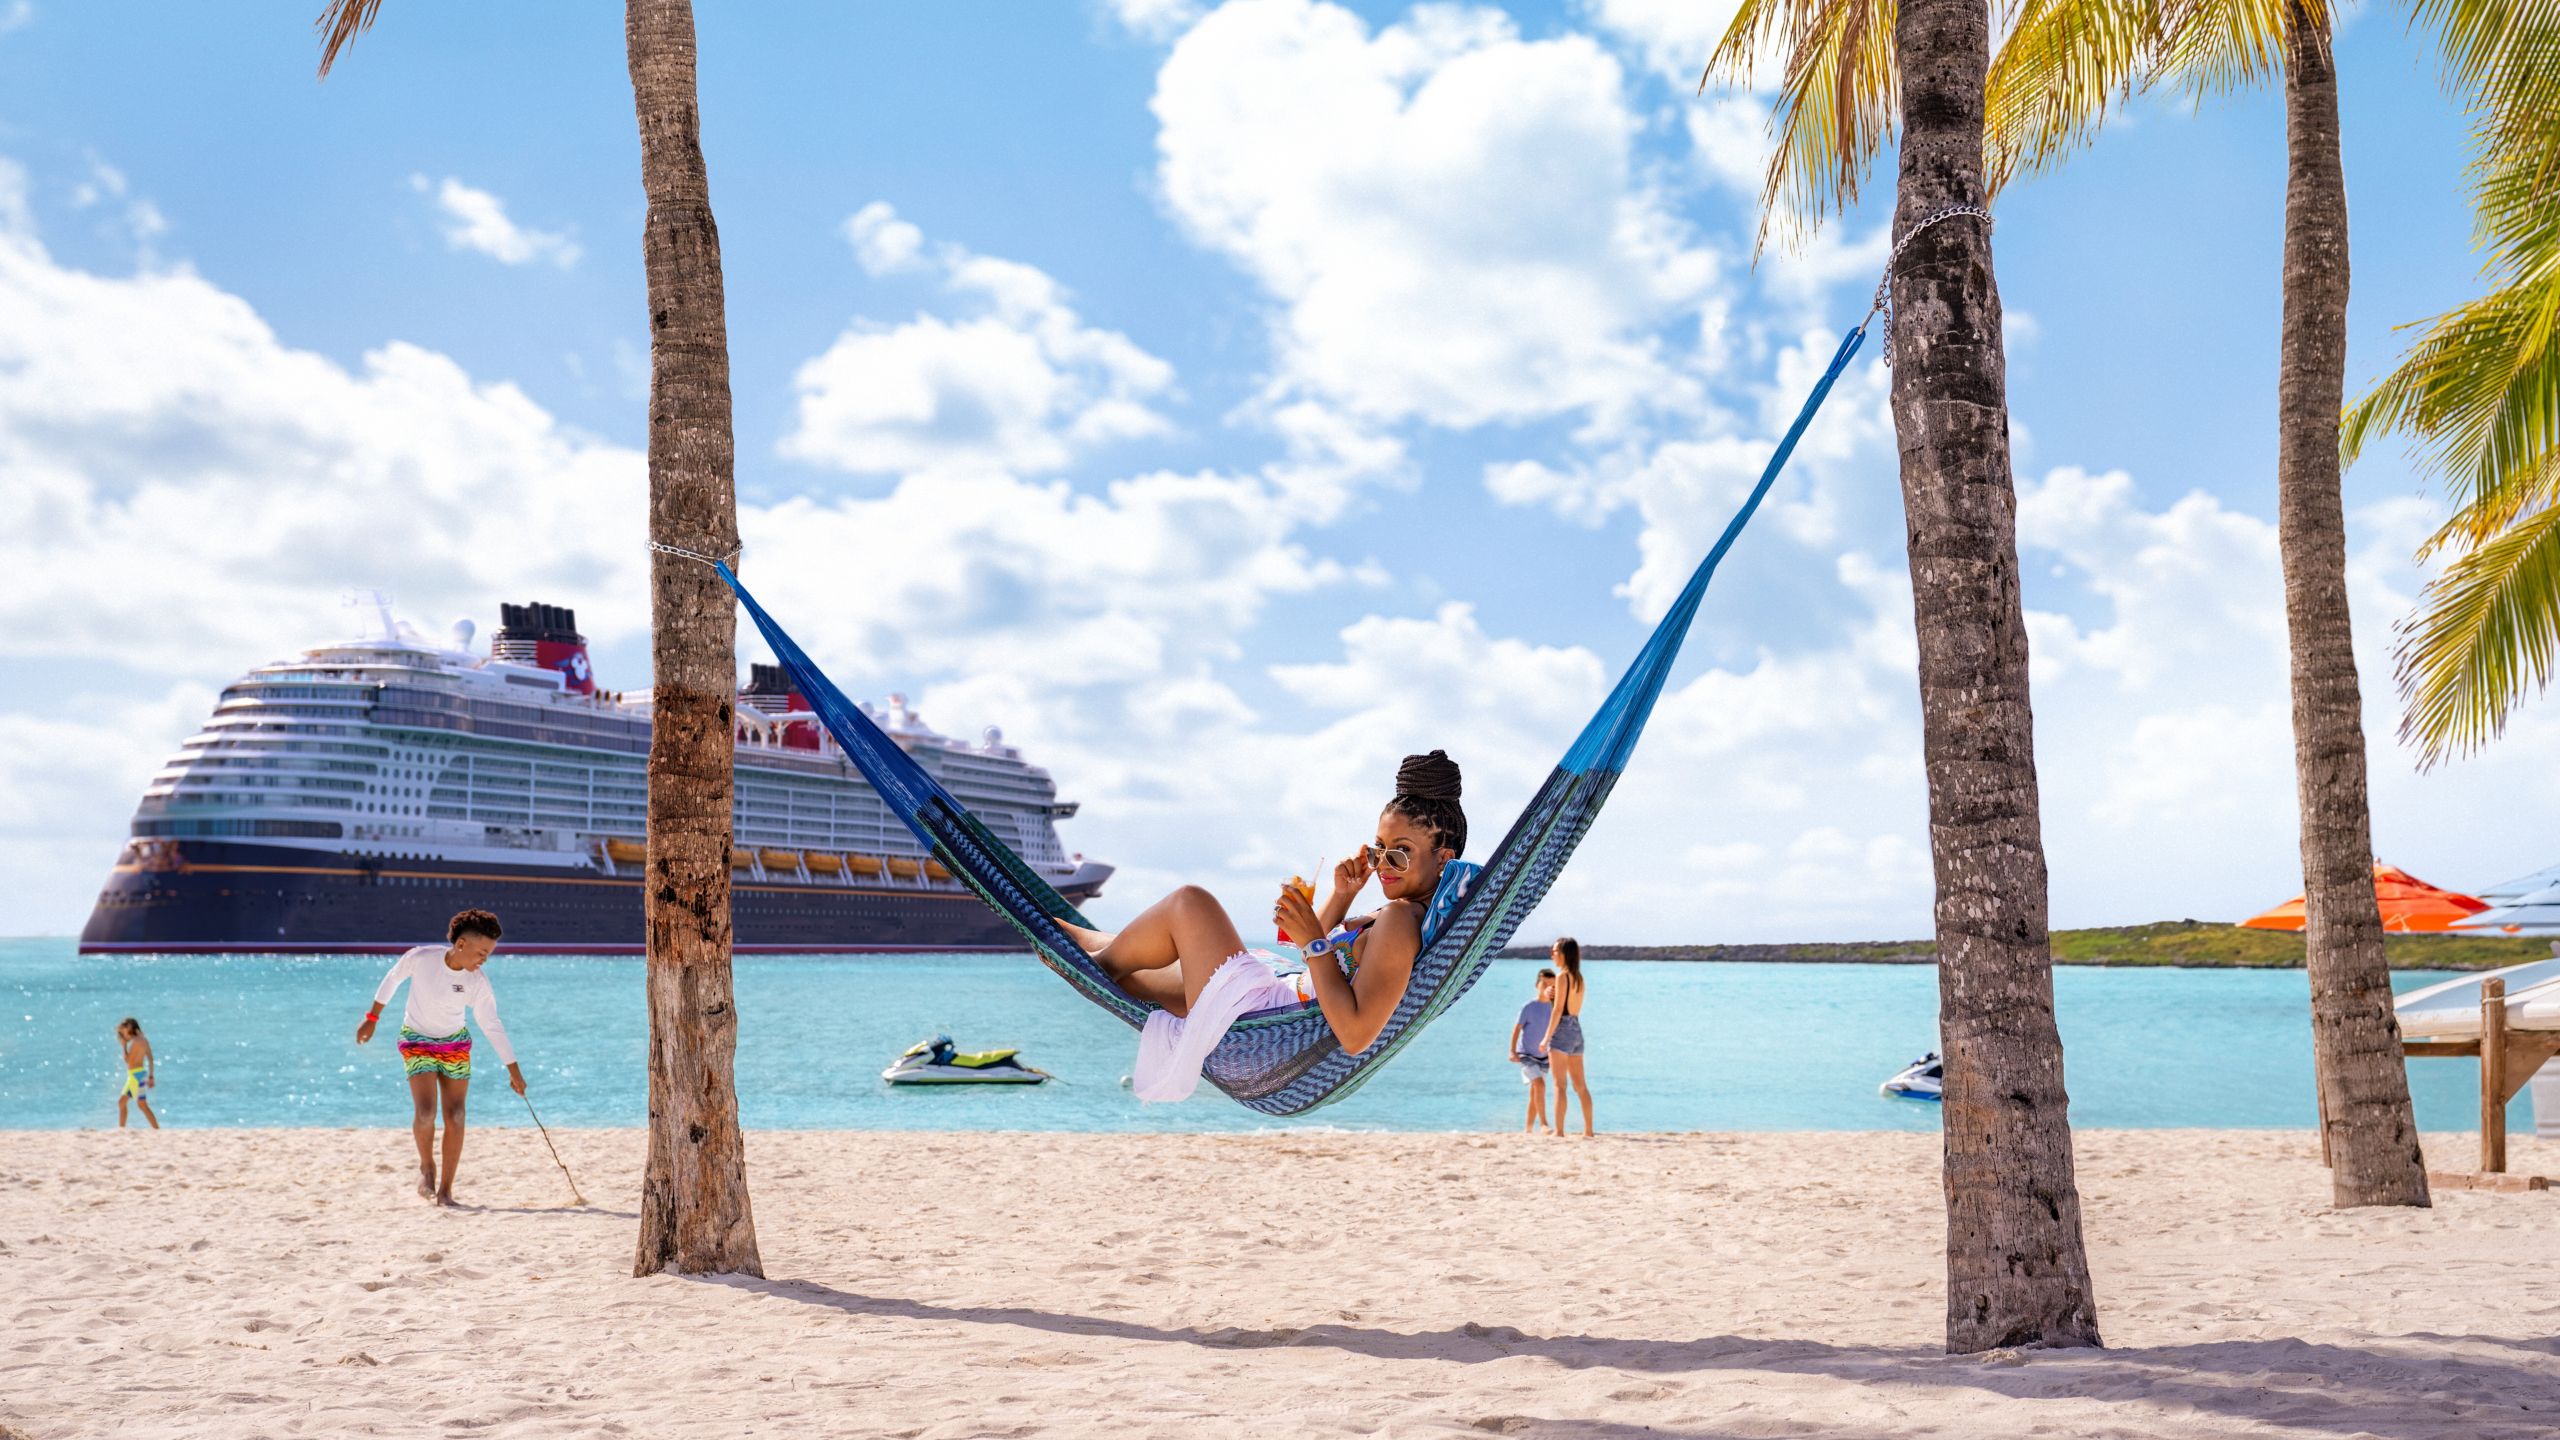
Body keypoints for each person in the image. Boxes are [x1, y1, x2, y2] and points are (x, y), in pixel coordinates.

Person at [1057, 751, 1471, 1102]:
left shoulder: (1400, 921)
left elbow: (1355, 1034)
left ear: (1442, 858)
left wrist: (1312, 938)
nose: (1383, 865)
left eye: (1400, 854)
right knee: (1079, 938)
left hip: (1267, 1022)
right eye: (1379, 849)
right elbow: (1311, 961)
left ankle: (1093, 970)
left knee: (1190, 903)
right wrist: (1342, 896)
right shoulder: (1394, 913)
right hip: (1271, 1004)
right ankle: (1081, 956)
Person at [356, 909, 524, 1205]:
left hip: (455, 1044)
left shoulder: (477, 982)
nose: (484, 959)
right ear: (461, 945)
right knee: (425, 1113)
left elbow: (490, 1023)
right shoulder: (421, 958)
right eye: (482, 952)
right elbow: (392, 979)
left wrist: (513, 1070)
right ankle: (426, 1167)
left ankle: (446, 1190)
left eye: (489, 954)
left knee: (456, 1116)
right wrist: (372, 1017)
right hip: (417, 1040)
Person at [1542, 936, 1593, 1136]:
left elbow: (1557, 1011)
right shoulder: (1578, 977)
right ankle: (1588, 1130)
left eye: (1555, 951)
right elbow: (1569, 1005)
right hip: (1576, 1028)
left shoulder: (1562, 976)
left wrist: (1546, 1038)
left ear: (1564, 953)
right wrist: (1549, 995)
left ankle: (1559, 1131)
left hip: (1562, 1029)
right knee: (1580, 1085)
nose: (1552, 954)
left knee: (1559, 1084)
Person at [1509, 970, 1556, 1132]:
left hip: (1544, 1057)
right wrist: (1512, 1051)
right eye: (1544, 984)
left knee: (1536, 1091)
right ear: (1537, 985)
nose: (1548, 988)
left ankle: (1528, 1129)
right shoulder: (1529, 1007)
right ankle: (1544, 1124)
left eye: (1551, 985)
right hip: (1526, 1054)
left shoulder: (1554, 1008)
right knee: (1540, 1086)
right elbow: (1516, 1029)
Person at [115, 1018, 158, 1130]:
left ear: (130, 1028)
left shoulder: (135, 1042)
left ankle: (122, 1130)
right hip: (139, 1074)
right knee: (129, 1103)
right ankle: (122, 1130)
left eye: (124, 1030)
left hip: (135, 1076)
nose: (124, 1034)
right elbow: (150, 1059)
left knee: (136, 1104)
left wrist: (124, 1046)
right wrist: (151, 1076)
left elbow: (128, 1061)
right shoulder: (144, 1040)